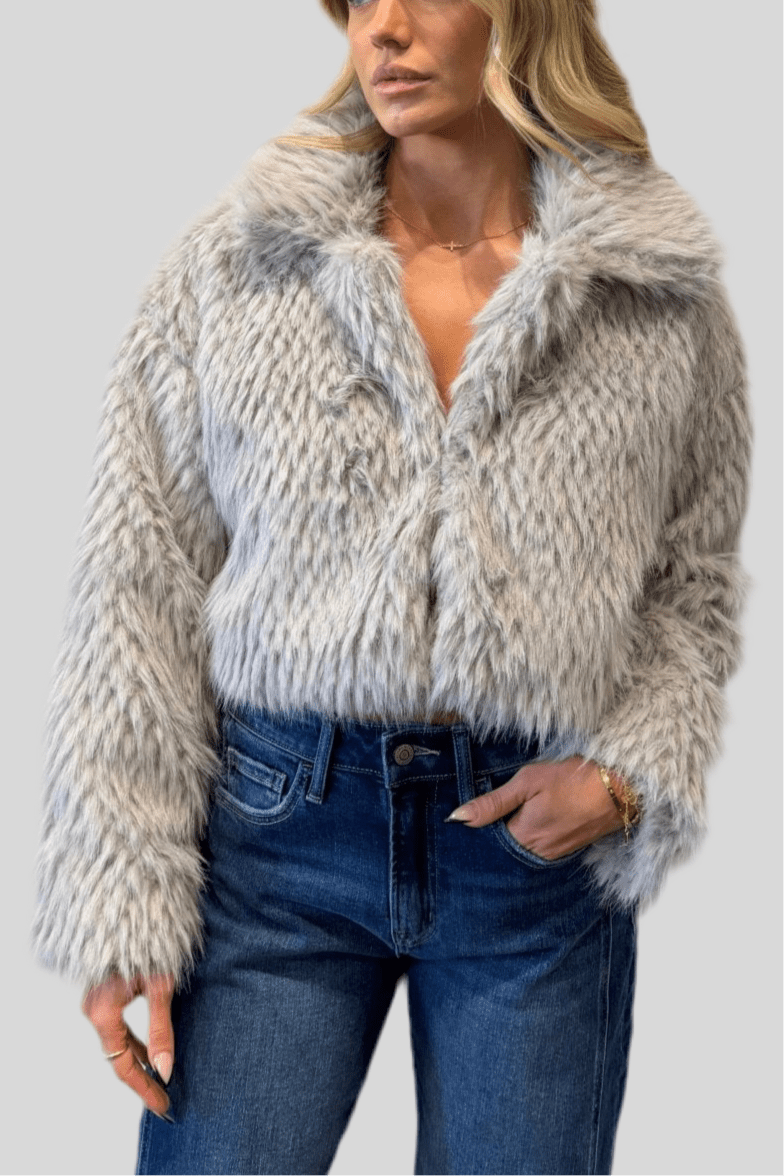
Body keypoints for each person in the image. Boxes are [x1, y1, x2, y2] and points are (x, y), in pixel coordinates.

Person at [31, 1, 752, 1173]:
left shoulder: (650, 289)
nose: (385, 29)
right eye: (359, 0)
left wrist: (625, 773)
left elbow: (691, 579)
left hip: (530, 859)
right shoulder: (240, 263)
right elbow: (137, 580)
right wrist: (124, 895)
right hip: (275, 839)